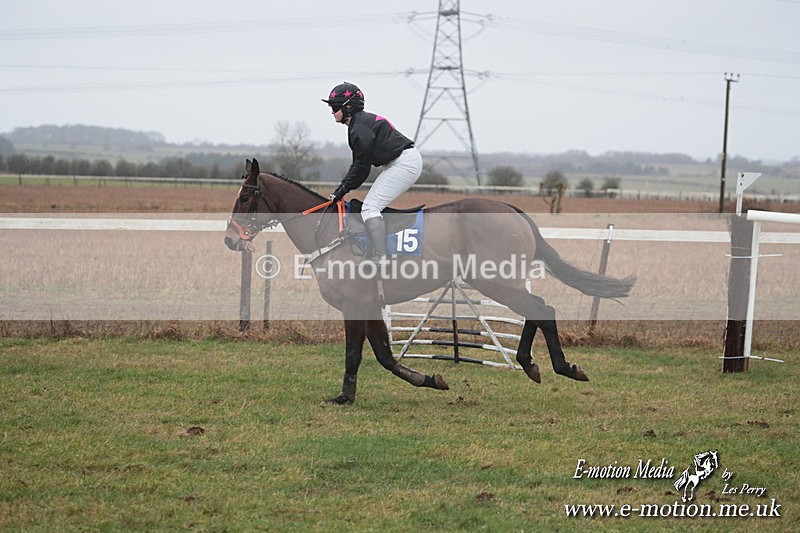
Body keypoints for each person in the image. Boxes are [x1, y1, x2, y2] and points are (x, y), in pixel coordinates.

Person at [322, 82, 422, 262]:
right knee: (372, 205)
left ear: (349, 107)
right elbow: (359, 166)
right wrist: (342, 189)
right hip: (401, 161)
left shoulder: (358, 128)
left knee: (370, 208)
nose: (332, 111)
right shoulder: (358, 124)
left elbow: (361, 168)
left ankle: (379, 256)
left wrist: (341, 191)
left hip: (404, 163)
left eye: (335, 107)